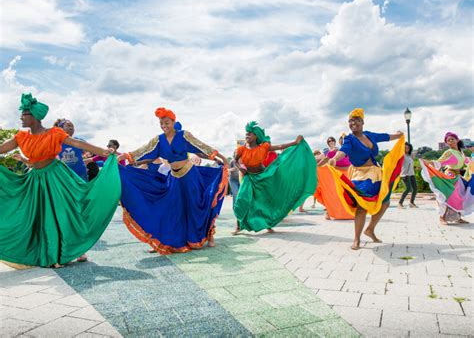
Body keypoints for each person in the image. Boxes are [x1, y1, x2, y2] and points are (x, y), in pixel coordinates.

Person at [0, 93, 121, 268]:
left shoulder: (54, 133)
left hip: (56, 177)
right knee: (39, 216)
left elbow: (77, 143)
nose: (21, 117)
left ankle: (69, 251)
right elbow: (2, 148)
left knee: (62, 213)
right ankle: (49, 253)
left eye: (24, 114)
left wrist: (102, 151)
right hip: (36, 179)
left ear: (34, 116)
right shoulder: (21, 137)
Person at [117, 107, 228, 254]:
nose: (164, 126)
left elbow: (201, 147)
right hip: (174, 178)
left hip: (190, 176)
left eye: (167, 122)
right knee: (174, 209)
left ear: (173, 122)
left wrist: (221, 158)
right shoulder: (158, 140)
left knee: (196, 206)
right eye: (161, 123)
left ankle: (204, 236)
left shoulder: (184, 136)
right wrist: (127, 158)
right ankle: (167, 240)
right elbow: (144, 151)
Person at [328, 108, 404, 250]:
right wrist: (334, 159)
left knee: (385, 203)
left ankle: (370, 229)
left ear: (362, 122)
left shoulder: (369, 135)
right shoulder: (349, 139)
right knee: (362, 205)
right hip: (361, 175)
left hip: (376, 174)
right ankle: (356, 239)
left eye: (356, 120)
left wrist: (398, 135)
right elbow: (343, 151)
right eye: (350, 121)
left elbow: (385, 136)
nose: (353, 123)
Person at [232, 121, 317, 234]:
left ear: (256, 136)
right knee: (241, 200)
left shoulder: (264, 147)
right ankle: (238, 226)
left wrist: (295, 142)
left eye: (249, 134)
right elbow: (235, 160)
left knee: (265, 202)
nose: (247, 136)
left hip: (262, 177)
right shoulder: (241, 149)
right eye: (246, 134)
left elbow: (280, 146)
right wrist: (239, 167)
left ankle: (267, 224)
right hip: (249, 178)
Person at [420, 132, 472, 225]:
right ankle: (442, 217)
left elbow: (467, 161)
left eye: (452, 139)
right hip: (450, 176)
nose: (450, 141)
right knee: (447, 196)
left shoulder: (461, 153)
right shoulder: (449, 152)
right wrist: (426, 162)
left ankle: (458, 217)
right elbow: (439, 162)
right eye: (448, 140)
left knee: (460, 197)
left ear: (457, 140)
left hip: (458, 177)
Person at [316, 134, 353, 220]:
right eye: (329, 141)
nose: (331, 142)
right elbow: (324, 159)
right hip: (334, 175)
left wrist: (334, 167)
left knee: (344, 194)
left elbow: (349, 166)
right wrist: (316, 167)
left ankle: (345, 212)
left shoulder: (348, 152)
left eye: (332, 141)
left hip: (346, 175)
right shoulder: (332, 151)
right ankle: (329, 212)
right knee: (333, 194)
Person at [398, 142, 418, 208]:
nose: (406, 149)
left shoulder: (410, 156)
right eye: (405, 148)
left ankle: (411, 203)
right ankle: (400, 203)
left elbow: (411, 163)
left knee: (415, 188)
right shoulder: (402, 155)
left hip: (412, 174)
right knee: (408, 188)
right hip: (405, 174)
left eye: (408, 148)